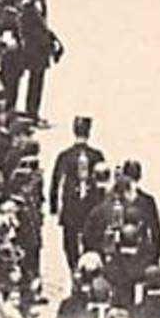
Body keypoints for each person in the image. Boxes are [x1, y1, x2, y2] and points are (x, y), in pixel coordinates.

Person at [49, 117, 106, 274]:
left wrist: (53, 206)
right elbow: (103, 182)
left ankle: (74, 268)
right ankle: (89, 269)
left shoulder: (65, 156)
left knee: (70, 241)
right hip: (91, 204)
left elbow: (56, 181)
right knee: (92, 238)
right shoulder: (97, 155)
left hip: (71, 206)